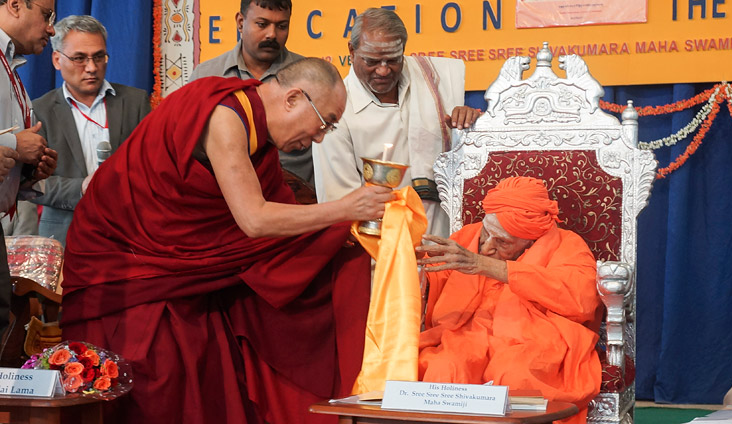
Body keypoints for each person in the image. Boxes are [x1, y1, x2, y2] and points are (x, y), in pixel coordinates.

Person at [61, 58, 393, 424]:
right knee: (158, 379)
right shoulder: (225, 116)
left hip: (181, 268)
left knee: (214, 365)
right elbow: (254, 220)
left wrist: (337, 237)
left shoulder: (257, 133)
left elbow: (278, 225)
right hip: (125, 263)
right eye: (325, 122)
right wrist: (344, 209)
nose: (319, 136)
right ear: (294, 98)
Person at [416, 176, 603, 424]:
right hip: (466, 335)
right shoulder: (467, 236)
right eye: (486, 233)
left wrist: (486, 266)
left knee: (514, 375)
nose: (486, 247)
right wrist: (414, 264)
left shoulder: (567, 245)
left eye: (502, 242)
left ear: (530, 241)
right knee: (444, 367)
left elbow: (582, 300)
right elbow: (432, 280)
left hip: (535, 341)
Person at [312, 8, 481, 238]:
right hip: (379, 247)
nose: (383, 70)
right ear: (351, 51)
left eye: (393, 60)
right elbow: (340, 205)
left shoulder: (433, 78)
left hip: (442, 237)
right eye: (372, 61)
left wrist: (472, 125)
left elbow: (471, 163)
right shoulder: (335, 112)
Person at [30, 15, 150, 246]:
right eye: (79, 58)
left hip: (129, 233)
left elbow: (152, 164)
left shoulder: (135, 101)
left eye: (99, 57)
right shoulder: (39, 111)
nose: (92, 68)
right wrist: (82, 187)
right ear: (57, 60)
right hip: (65, 236)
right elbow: (33, 185)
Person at [189, 0, 313, 186]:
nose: (272, 34)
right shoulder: (206, 75)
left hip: (296, 196)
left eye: (281, 26)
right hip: (220, 195)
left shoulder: (310, 77)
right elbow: (188, 143)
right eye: (262, 24)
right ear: (240, 22)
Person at [0, 0, 58, 338]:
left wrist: (29, 170)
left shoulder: (11, 70)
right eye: (47, 15)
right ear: (16, 5)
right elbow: (12, 144)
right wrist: (14, 148)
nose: (51, 28)